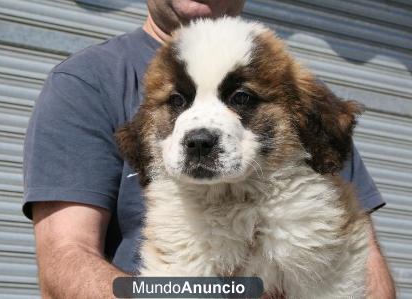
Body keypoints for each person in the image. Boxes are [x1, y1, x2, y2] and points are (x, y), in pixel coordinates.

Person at [23, 0, 395, 298]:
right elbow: (63, 262)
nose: (200, 133)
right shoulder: (86, 81)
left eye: (242, 97)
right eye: (178, 101)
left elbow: (360, 261)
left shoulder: (296, 97)